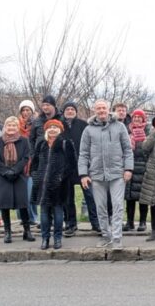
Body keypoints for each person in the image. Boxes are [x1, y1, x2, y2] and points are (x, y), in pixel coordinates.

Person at [79, 100, 134, 249]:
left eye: (104, 108)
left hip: (117, 174)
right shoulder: (88, 130)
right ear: (94, 110)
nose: (101, 110)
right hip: (96, 175)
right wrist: (83, 174)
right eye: (98, 108)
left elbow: (128, 150)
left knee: (117, 206)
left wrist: (128, 169)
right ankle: (105, 235)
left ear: (108, 109)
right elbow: (83, 154)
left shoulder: (120, 127)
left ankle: (117, 239)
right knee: (100, 207)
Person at [32, 119, 75, 250]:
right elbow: (35, 162)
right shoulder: (41, 144)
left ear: (60, 130)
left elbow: (71, 164)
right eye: (50, 127)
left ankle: (57, 238)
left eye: (55, 127)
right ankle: (45, 238)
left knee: (58, 212)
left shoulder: (65, 143)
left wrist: (60, 178)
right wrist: (36, 176)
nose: (52, 129)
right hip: (42, 185)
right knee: (44, 213)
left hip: (59, 185)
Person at [0, 116, 32, 243]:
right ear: (5, 127)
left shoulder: (24, 141)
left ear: (17, 127)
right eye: (9, 125)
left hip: (19, 175)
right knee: (4, 204)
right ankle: (7, 232)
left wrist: (15, 170)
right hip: (3, 176)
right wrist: (6, 171)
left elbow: (25, 158)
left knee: (23, 204)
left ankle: (27, 231)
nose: (11, 128)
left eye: (14, 125)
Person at [61, 101, 90, 235]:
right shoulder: (60, 125)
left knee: (89, 195)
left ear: (76, 112)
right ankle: (70, 223)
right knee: (67, 198)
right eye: (68, 109)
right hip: (66, 166)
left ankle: (95, 222)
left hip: (83, 165)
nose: (70, 111)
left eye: (73, 109)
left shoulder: (83, 125)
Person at [124, 109, 150, 233]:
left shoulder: (148, 131)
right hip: (129, 167)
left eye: (139, 117)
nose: (137, 119)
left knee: (142, 197)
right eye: (135, 117)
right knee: (129, 197)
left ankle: (142, 222)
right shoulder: (127, 130)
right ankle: (129, 222)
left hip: (143, 167)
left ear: (143, 119)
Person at [17, 100, 38, 225]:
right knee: (20, 194)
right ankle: (22, 218)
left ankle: (33, 217)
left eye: (28, 110)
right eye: (23, 110)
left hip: (33, 163)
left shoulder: (36, 125)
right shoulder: (16, 125)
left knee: (30, 193)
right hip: (19, 163)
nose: (25, 113)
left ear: (32, 111)